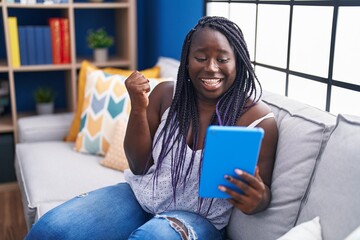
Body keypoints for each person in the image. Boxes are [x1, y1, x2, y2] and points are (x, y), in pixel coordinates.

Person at [25, 16, 278, 240]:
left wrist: (257, 200)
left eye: (222, 59)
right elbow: (138, 165)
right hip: (138, 198)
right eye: (201, 58)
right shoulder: (167, 94)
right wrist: (137, 106)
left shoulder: (258, 121)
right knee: (53, 228)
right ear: (187, 62)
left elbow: (261, 196)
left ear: (239, 63)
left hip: (200, 220)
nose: (211, 67)